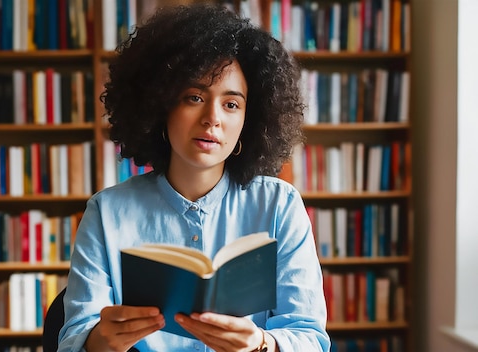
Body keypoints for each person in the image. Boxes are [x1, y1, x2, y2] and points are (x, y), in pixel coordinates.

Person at [58, 3, 330, 352]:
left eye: (231, 104)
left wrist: (262, 344)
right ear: (161, 105)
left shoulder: (280, 206)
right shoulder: (106, 213)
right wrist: (99, 342)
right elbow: (72, 341)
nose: (212, 118)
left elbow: (310, 338)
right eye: (194, 97)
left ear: (251, 117)